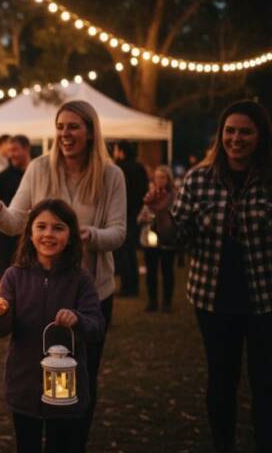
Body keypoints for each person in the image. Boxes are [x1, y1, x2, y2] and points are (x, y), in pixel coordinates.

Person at [0, 100, 126, 450]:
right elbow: (18, 221)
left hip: (88, 289)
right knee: (34, 362)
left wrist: (88, 235)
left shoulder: (110, 175)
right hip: (40, 286)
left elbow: (119, 233)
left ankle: (72, 441)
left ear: (90, 131)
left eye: (73, 127)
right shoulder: (40, 168)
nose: (65, 134)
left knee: (82, 372)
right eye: (60, 126)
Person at [144, 100, 272, 453]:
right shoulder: (199, 179)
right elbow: (175, 238)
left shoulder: (268, 180)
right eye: (230, 131)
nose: (236, 138)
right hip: (213, 298)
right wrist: (162, 213)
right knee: (222, 380)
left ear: (260, 136)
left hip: (264, 299)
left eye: (245, 131)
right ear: (220, 135)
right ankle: (223, 444)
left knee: (265, 382)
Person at [0, 199, 105, 453]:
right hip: (24, 383)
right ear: (30, 234)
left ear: (71, 236)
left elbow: (96, 327)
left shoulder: (80, 279)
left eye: (58, 228)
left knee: (62, 444)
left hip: (64, 386)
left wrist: (78, 319)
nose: (48, 234)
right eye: (41, 227)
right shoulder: (14, 276)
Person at [0, 134, 32, 278]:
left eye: (15, 150)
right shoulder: (3, 177)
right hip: (5, 238)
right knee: (5, 275)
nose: (11, 155)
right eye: (9, 151)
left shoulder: (37, 174)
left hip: (30, 236)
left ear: (26, 149)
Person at [137, 165, 176, 313]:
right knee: (151, 272)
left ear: (168, 179)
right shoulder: (151, 195)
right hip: (150, 239)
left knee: (167, 271)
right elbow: (139, 217)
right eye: (157, 177)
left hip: (167, 240)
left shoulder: (174, 197)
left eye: (162, 177)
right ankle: (152, 302)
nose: (159, 180)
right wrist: (146, 217)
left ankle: (167, 303)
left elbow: (177, 218)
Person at [113, 141, 149, 297]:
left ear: (121, 151)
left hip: (124, 215)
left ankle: (129, 287)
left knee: (125, 252)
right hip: (135, 215)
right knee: (130, 252)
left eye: (116, 150)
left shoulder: (122, 169)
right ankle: (132, 285)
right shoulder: (140, 167)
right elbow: (143, 192)